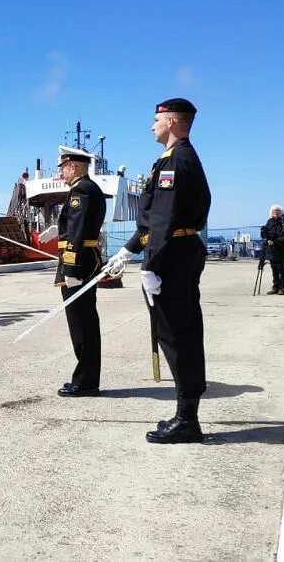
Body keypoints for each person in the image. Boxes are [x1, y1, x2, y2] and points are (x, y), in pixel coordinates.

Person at [109, 98, 211, 444]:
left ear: (172, 122)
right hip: (179, 251)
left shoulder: (175, 161)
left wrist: (151, 265)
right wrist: (127, 250)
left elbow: (165, 219)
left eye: (156, 119)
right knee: (180, 333)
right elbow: (154, 219)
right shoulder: (177, 158)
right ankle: (186, 414)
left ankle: (187, 420)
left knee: (177, 336)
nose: (151, 125)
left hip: (173, 257)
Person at [41, 146, 106, 398]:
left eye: (63, 168)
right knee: (85, 321)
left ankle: (85, 381)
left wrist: (70, 267)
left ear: (74, 167)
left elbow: (77, 233)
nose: (61, 174)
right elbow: (79, 226)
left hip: (79, 263)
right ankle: (87, 378)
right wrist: (58, 231)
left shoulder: (81, 190)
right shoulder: (89, 189)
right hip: (85, 260)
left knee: (81, 324)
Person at [261, 205, 284, 294]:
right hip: (272, 250)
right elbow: (265, 235)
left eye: (278, 211)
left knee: (282, 269)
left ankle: (282, 287)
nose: (276, 212)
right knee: (274, 269)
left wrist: (275, 242)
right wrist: (263, 232)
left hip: (281, 249)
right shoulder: (269, 222)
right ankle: (275, 286)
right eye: (274, 211)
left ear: (281, 212)